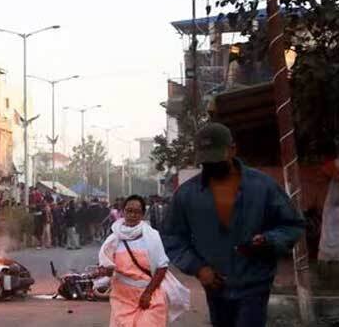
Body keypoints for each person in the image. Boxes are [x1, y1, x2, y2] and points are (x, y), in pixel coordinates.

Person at [162, 123, 305, 327]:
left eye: (217, 158)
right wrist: (199, 268)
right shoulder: (186, 194)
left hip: (255, 283)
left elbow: (292, 225)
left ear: (233, 149)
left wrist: (270, 240)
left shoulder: (263, 186)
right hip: (215, 286)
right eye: (206, 161)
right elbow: (172, 236)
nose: (211, 165)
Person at [97, 195, 190, 326]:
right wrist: (104, 271)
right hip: (122, 298)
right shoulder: (113, 239)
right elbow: (106, 267)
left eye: (137, 212)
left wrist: (148, 294)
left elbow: (162, 267)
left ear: (142, 214)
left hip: (149, 297)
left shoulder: (152, 236)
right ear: (123, 212)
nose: (133, 215)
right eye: (129, 211)